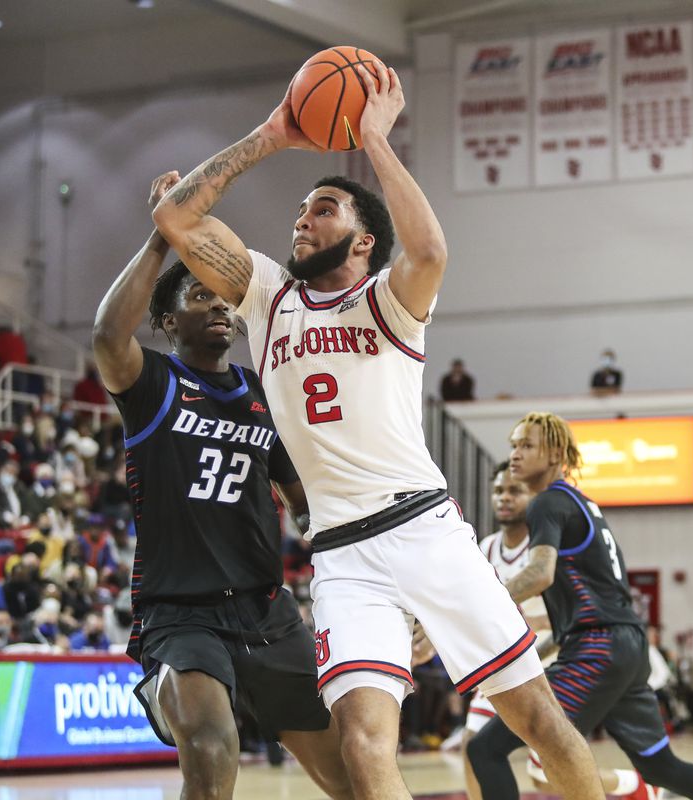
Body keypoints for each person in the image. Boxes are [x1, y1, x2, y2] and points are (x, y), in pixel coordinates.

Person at [153, 65, 603, 800]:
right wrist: (272, 135)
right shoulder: (268, 296)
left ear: (363, 240)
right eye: (301, 209)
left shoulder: (390, 301)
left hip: (425, 529)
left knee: (539, 722)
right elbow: (175, 218)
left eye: (323, 208)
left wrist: (372, 140)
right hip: (342, 555)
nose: (302, 219)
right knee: (364, 748)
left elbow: (429, 253)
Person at [93, 172, 353, 800]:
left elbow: (306, 506)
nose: (218, 305)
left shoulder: (263, 394)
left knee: (350, 777)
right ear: (165, 318)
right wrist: (165, 233)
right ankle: (165, 682)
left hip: (267, 612)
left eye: (222, 297)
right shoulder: (150, 385)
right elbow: (106, 336)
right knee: (212, 754)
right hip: (183, 613)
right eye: (198, 296)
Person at [468, 412, 693, 800]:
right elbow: (592, 606)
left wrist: (483, 604)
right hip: (624, 645)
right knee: (660, 765)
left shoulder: (547, 503)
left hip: (598, 648)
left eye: (526, 445)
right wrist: (534, 654)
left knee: (487, 749)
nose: (514, 454)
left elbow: (540, 573)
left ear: (556, 452)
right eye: (513, 445)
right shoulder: (584, 504)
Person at [460, 464, 650, 800]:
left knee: (543, 773)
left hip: (550, 658)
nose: (504, 498)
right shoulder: (486, 547)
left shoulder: (548, 546)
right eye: (499, 491)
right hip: (506, 661)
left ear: (532, 497)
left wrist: (532, 637)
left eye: (514, 491)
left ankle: (632, 785)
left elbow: (568, 619)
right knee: (473, 746)